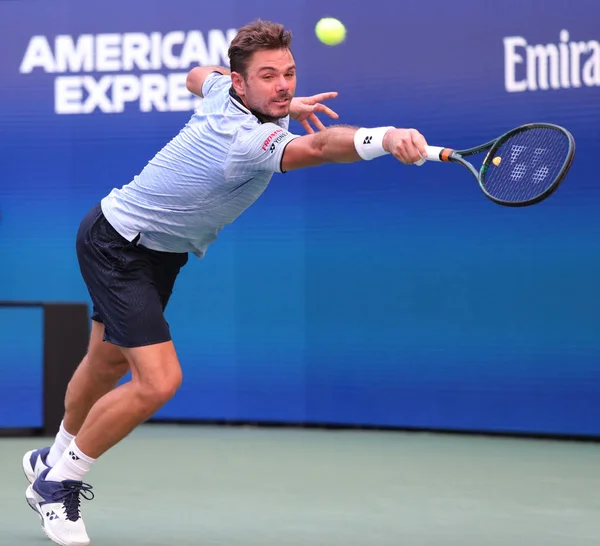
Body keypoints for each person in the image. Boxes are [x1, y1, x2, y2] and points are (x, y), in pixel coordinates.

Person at [21, 18, 429, 546]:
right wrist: (385, 137)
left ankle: (47, 460)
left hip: (155, 252)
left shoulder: (224, 91)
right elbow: (324, 147)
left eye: (289, 74)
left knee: (107, 361)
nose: (283, 85)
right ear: (242, 84)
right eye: (268, 76)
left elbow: (197, 75)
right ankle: (61, 483)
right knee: (159, 381)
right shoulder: (245, 139)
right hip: (118, 244)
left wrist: (282, 102)